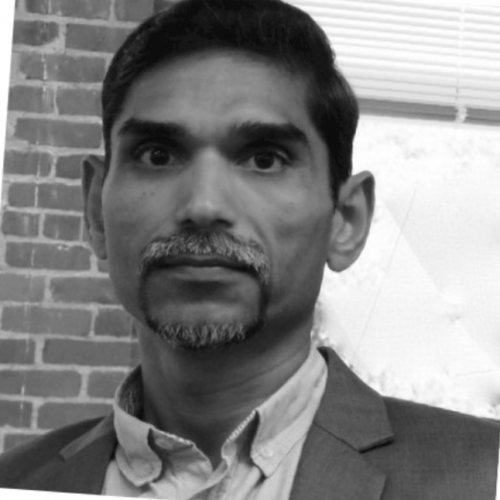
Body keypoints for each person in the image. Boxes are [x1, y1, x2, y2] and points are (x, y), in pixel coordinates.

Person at [0, 0, 498, 498]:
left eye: (264, 159)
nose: (204, 204)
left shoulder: (483, 474)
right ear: (95, 210)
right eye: (158, 155)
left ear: (346, 220)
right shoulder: (15, 481)